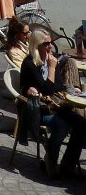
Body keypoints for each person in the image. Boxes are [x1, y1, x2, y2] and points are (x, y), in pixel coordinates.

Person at [20, 29, 86, 179]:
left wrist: (69, 88)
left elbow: (58, 86)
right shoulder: (30, 63)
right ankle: (51, 162)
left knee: (81, 124)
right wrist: (51, 68)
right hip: (40, 109)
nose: (50, 47)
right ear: (37, 45)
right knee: (61, 125)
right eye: (46, 44)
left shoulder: (50, 59)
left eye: (51, 43)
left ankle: (68, 165)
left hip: (56, 106)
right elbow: (47, 89)